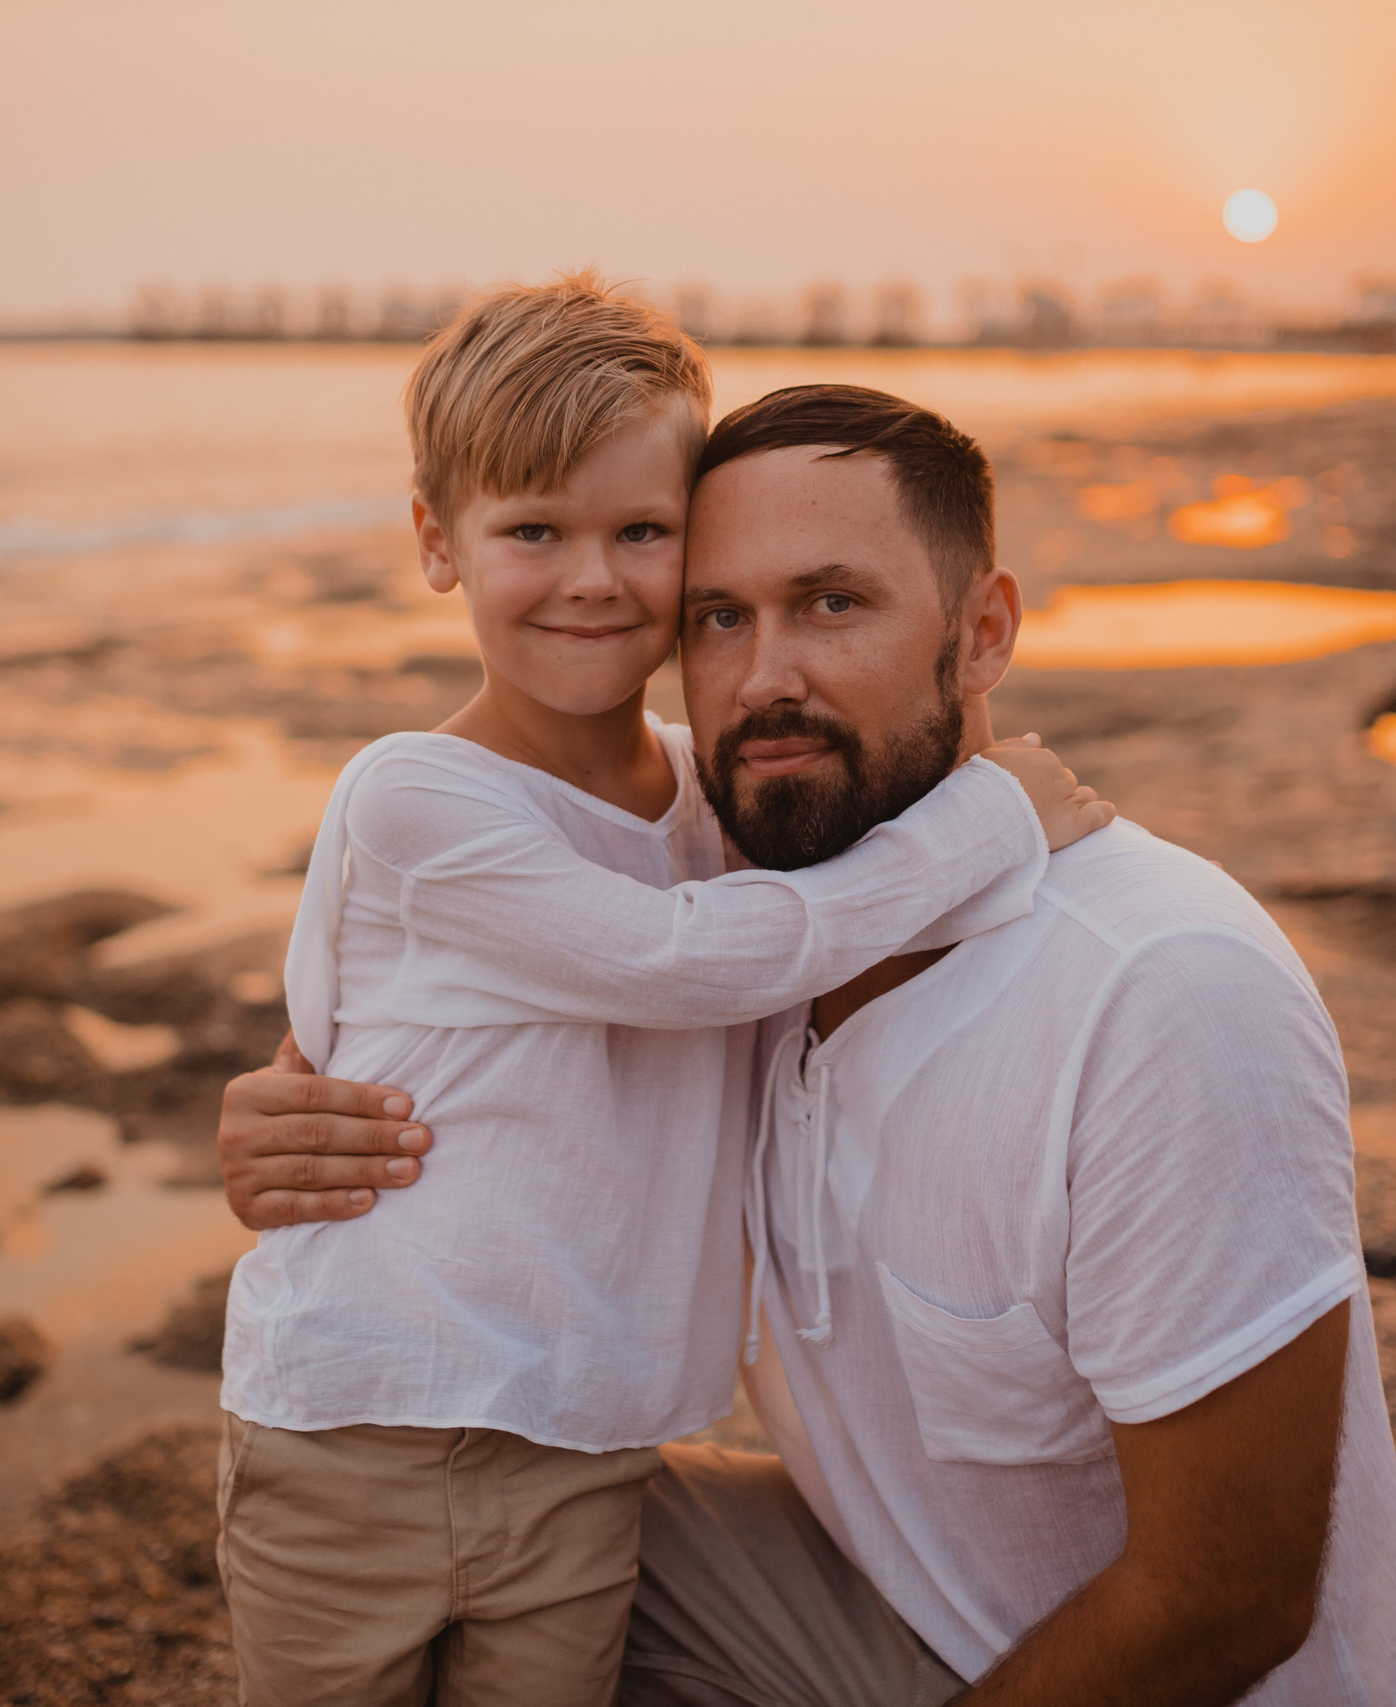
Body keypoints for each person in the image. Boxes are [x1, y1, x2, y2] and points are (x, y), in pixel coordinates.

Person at [220, 382, 1396, 1706]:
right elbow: (546, 969)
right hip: (889, 1606)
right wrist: (302, 1117)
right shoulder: (730, 921)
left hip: (1106, 1677)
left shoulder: (1160, 989)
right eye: (718, 616)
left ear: (985, 635)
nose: (766, 678)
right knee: (476, 1493)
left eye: (834, 604)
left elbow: (1228, 1598)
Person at [215, 277, 1113, 1707]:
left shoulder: (715, 805)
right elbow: (683, 964)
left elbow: (803, 899)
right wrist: (986, 825)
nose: (593, 579)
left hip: (590, 1444)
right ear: (437, 544)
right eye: (532, 532)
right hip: (361, 1431)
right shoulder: (416, 796)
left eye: (642, 532)